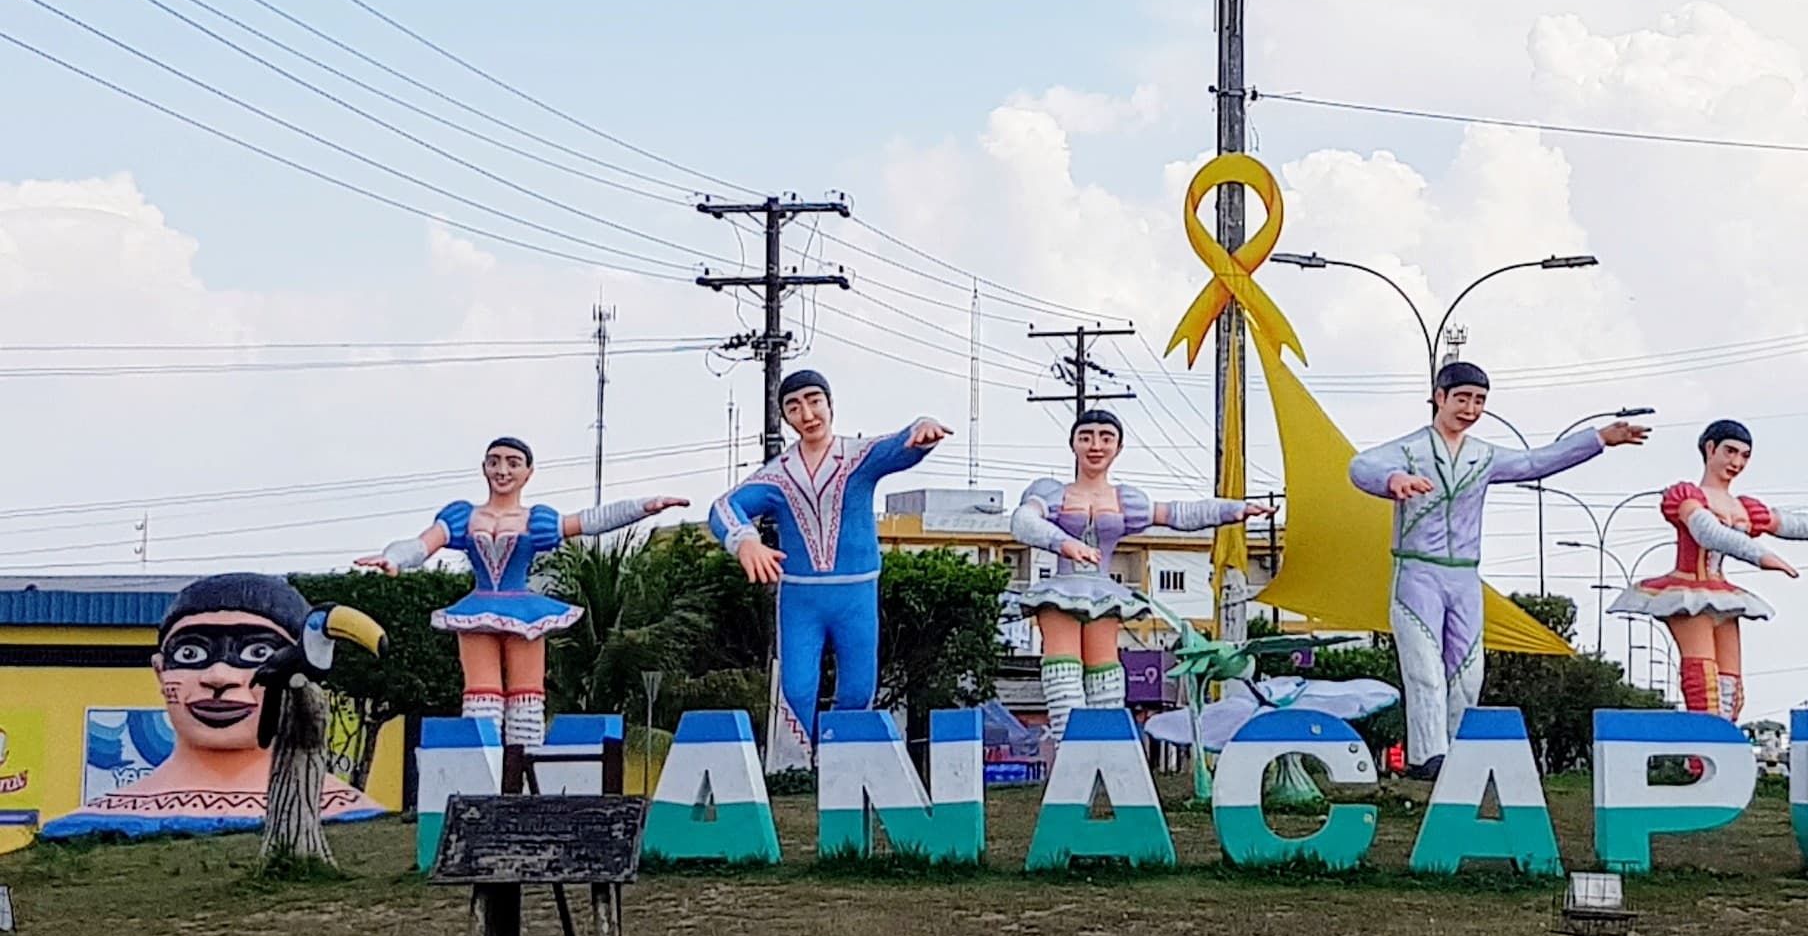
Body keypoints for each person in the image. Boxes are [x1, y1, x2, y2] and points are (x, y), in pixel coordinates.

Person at [1350, 360, 1648, 779]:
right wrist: (1393, 479)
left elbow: (1534, 462)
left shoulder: (1483, 455)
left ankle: (1455, 752)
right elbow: (1360, 466)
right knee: (1425, 669)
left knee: (1468, 671)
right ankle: (1427, 754)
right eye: (1462, 398)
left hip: (1465, 575)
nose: (1470, 408)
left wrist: (1598, 439)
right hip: (1417, 572)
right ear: (1439, 398)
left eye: (1479, 401)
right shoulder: (1411, 450)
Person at [362, 437, 688, 744]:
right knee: (480, 698)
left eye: (513, 463)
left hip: (524, 613)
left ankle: (523, 777)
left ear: (528, 473)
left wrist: (646, 506)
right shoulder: (462, 516)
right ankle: (481, 770)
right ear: (484, 467)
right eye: (494, 462)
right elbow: (423, 544)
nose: (502, 470)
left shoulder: (537, 519)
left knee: (526, 699)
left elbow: (591, 520)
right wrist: (393, 559)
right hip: (477, 610)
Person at [708, 369, 951, 757]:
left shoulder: (857, 457)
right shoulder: (779, 475)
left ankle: (845, 763)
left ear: (830, 404)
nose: (807, 413)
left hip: (856, 591)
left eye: (813, 400)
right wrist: (745, 541)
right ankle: (794, 770)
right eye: (794, 406)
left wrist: (923, 430)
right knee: (797, 689)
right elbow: (724, 507)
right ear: (785, 417)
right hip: (801, 597)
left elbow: (899, 444)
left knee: (858, 687)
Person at [42, 573, 384, 837]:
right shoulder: (97, 821)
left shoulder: (354, 818)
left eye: (257, 653)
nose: (219, 676)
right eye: (190, 654)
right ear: (160, 671)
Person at [1006, 408, 1268, 740]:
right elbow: (1022, 522)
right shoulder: (1052, 492)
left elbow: (1178, 513)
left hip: (1103, 594)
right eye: (1086, 437)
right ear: (1073, 444)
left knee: (1106, 677)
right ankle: (1067, 753)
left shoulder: (1126, 500)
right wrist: (1065, 544)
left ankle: (1107, 751)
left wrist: (1235, 509)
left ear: (1118, 447)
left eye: (1106, 438)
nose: (1095, 446)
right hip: (1060, 592)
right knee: (1063, 677)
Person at [1613, 419, 1808, 720]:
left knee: (1731, 689)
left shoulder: (1742, 507)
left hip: (1722, 596)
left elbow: (1792, 524)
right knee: (1704, 685)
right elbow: (1707, 533)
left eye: (1744, 455)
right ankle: (1702, 758)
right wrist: (1760, 556)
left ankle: (1723, 752)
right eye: (1730, 451)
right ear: (1710, 449)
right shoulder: (1688, 497)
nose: (1736, 462)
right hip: (1688, 594)